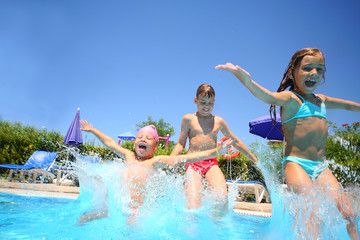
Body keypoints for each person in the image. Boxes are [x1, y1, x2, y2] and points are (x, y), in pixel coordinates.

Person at [216, 47, 359, 239]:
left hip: (321, 167)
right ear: (293, 72)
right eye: (307, 68)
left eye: (320, 69)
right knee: (311, 212)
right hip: (296, 164)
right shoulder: (292, 99)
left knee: (349, 212)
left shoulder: (322, 101)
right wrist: (246, 80)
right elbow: (266, 96)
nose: (314, 73)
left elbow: (349, 105)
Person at [78, 120, 233, 224]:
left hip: (139, 213)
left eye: (148, 138)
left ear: (156, 147)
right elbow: (110, 143)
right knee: (86, 216)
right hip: (120, 208)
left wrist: (215, 152)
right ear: (134, 144)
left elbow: (188, 158)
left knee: (131, 227)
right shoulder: (128, 156)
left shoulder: (156, 161)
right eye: (140, 137)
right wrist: (93, 130)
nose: (143, 139)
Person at [170, 84, 258, 211]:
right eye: (203, 102)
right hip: (193, 163)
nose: (207, 106)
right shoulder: (188, 119)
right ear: (196, 100)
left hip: (211, 163)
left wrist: (253, 158)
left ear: (214, 101)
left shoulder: (219, 121)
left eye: (210, 103)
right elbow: (180, 144)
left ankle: (214, 225)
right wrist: (170, 160)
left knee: (222, 199)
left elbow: (235, 141)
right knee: (193, 204)